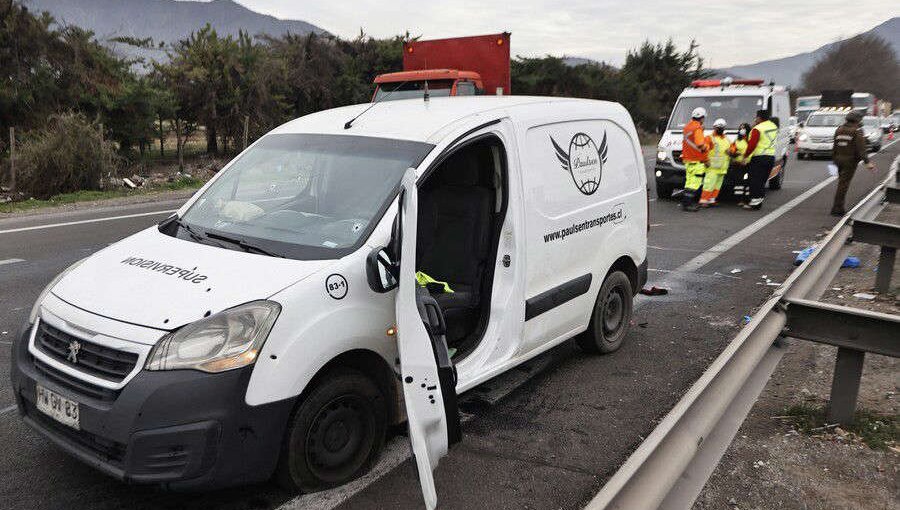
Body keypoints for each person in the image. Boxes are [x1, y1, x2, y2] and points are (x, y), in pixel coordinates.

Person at [831, 110, 876, 216]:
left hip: (838, 160)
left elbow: (834, 147)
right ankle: (837, 209)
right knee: (844, 184)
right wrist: (867, 162)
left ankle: (838, 207)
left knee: (841, 183)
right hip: (849, 162)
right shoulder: (856, 131)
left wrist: (833, 161)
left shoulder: (839, 129)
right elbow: (861, 149)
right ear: (857, 120)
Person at [681, 107, 709, 212]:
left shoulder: (687, 127)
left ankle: (686, 203)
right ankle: (688, 204)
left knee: (689, 182)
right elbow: (700, 144)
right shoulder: (697, 128)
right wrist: (707, 148)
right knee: (694, 183)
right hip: (696, 160)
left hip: (688, 159)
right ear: (701, 118)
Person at [699, 118, 731, 206]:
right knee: (709, 184)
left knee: (717, 185)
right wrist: (705, 160)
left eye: (722, 127)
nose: (720, 129)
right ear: (714, 127)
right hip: (712, 167)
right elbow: (703, 150)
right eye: (718, 127)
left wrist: (731, 151)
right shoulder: (709, 138)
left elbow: (731, 148)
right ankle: (704, 200)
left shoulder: (726, 139)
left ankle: (712, 199)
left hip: (722, 167)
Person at [731, 122, 752, 205]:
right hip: (738, 165)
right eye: (740, 128)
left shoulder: (751, 140)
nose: (741, 130)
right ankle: (739, 200)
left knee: (748, 182)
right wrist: (734, 154)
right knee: (739, 183)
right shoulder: (736, 141)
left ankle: (747, 199)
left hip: (749, 164)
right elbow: (732, 151)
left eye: (743, 128)